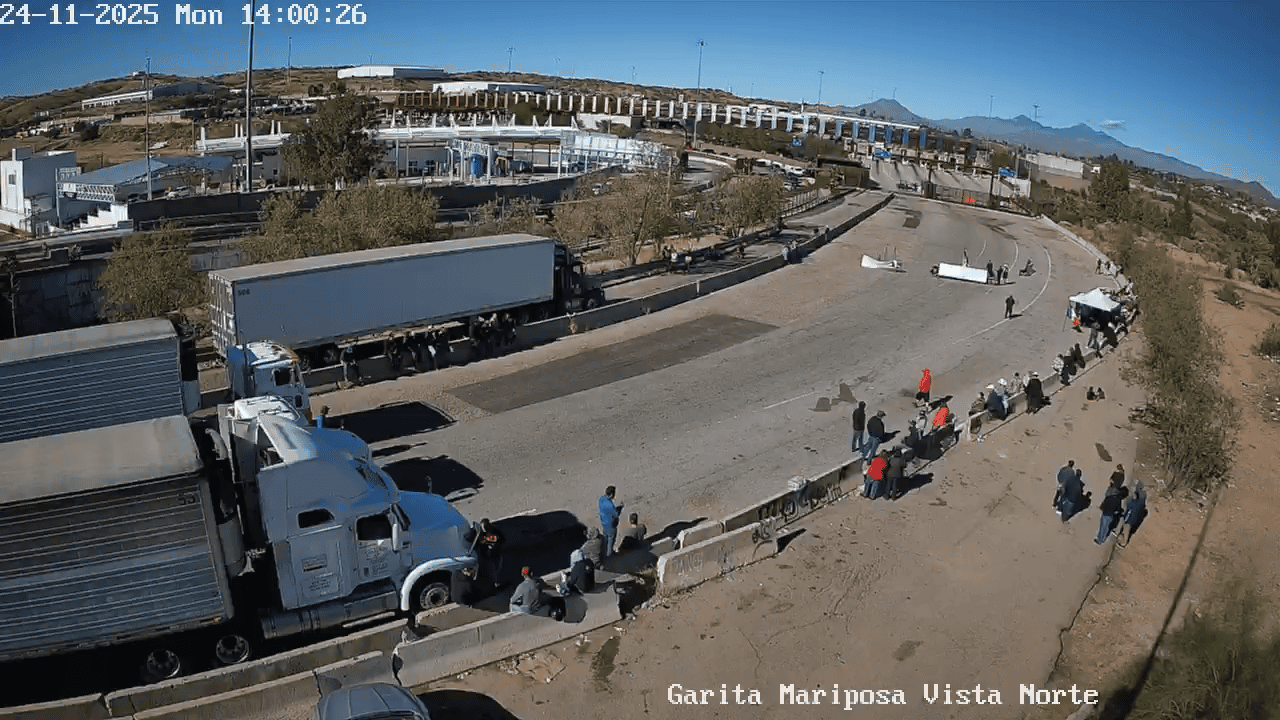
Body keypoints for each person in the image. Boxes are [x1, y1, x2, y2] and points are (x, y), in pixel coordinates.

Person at [474, 518, 506, 592]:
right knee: (492, 570)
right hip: (489, 555)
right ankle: (494, 583)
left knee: (496, 569)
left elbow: (501, 539)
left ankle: (496, 584)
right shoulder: (483, 534)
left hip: (495, 554)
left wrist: (493, 543)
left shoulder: (494, 531)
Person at [1119, 480, 1148, 546]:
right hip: (1131, 520)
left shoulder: (1133, 503)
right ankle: (1123, 542)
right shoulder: (1139, 503)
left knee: (1126, 531)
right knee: (1127, 531)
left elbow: (1128, 510)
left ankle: (1123, 542)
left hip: (1130, 521)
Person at [598, 486, 623, 558]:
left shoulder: (601, 499)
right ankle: (609, 555)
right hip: (610, 524)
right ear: (612, 494)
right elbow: (616, 515)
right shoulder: (610, 505)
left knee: (605, 538)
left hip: (603, 522)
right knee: (611, 540)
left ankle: (604, 552)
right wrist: (620, 508)